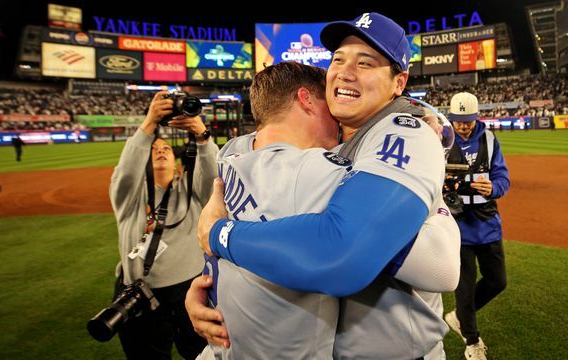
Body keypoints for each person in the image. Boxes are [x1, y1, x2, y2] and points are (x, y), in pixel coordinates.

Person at [195, 12, 460, 359]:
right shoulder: (308, 150)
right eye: (338, 59)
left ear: (399, 82)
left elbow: (439, 266)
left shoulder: (403, 133)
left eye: (366, 62)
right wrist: (206, 289)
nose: (346, 71)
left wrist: (220, 234)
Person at [109, 91, 218, 360]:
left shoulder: (190, 193)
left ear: (178, 165)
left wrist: (202, 136)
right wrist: (148, 124)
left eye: (166, 149)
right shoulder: (130, 200)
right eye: (154, 149)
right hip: (138, 293)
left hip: (188, 290)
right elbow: (125, 173)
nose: (160, 151)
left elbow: (214, 180)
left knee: (202, 355)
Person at [443, 92, 510, 360]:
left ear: (476, 117)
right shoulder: (441, 141)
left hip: (487, 221)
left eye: (467, 121)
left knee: (497, 281)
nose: (463, 126)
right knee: (465, 287)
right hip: (458, 225)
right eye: (458, 121)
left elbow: (503, 178)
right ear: (451, 119)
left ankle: (460, 316)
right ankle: (472, 341)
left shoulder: (490, 140)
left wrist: (493, 187)